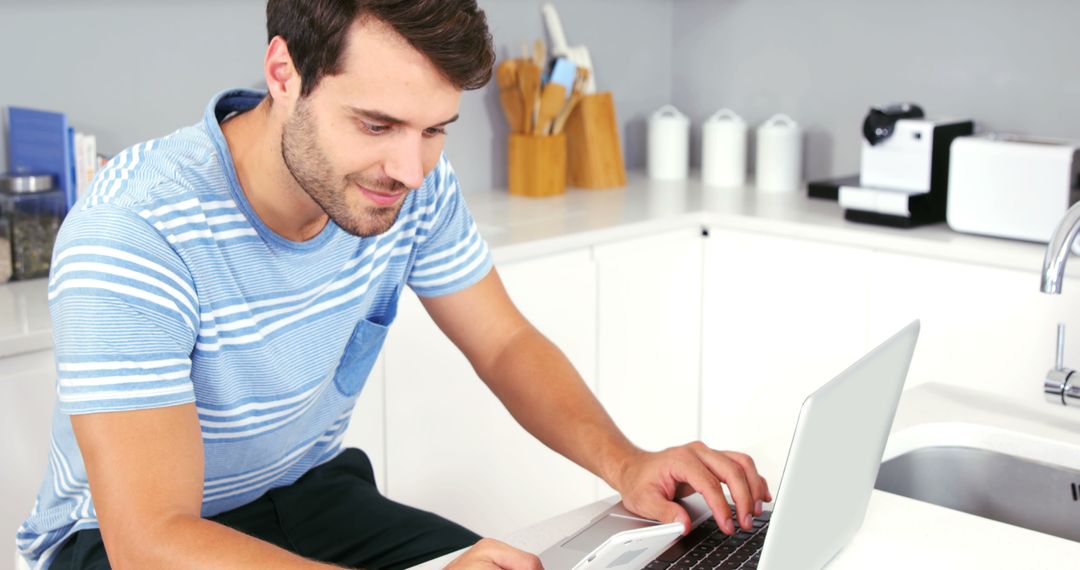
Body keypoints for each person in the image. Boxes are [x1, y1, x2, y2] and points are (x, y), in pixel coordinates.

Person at [16, 1, 771, 568]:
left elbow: (504, 342)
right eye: (377, 125)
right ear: (284, 74)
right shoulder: (136, 230)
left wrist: (626, 460)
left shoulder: (403, 186)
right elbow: (150, 539)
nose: (411, 169)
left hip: (309, 493)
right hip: (117, 546)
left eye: (435, 129)